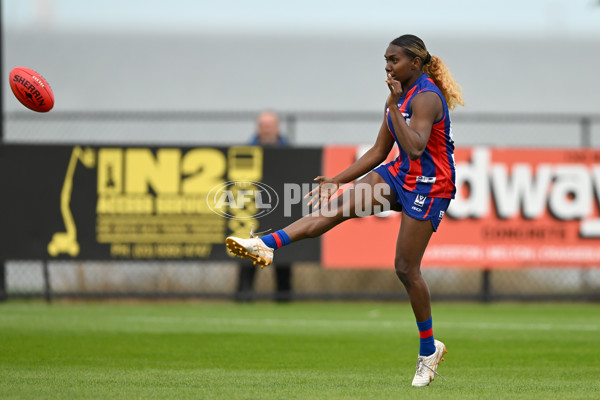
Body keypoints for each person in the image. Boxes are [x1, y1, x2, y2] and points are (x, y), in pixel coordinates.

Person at [226, 34, 463, 386]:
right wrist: (338, 180)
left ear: (415, 63)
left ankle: (429, 349)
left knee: (405, 268)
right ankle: (265, 244)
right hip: (398, 175)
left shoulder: (427, 97)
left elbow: (414, 148)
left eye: (394, 60)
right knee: (334, 208)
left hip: (430, 186)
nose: (387, 66)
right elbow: (381, 150)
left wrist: (397, 104)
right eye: (385, 60)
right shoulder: (395, 98)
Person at [236, 111, 292, 302]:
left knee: (284, 259)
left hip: (282, 213)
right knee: (248, 257)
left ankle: (284, 300)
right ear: (258, 128)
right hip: (253, 214)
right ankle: (243, 299)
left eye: (270, 125)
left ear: (277, 127)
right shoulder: (245, 153)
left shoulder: (290, 152)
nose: (267, 129)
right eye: (264, 125)